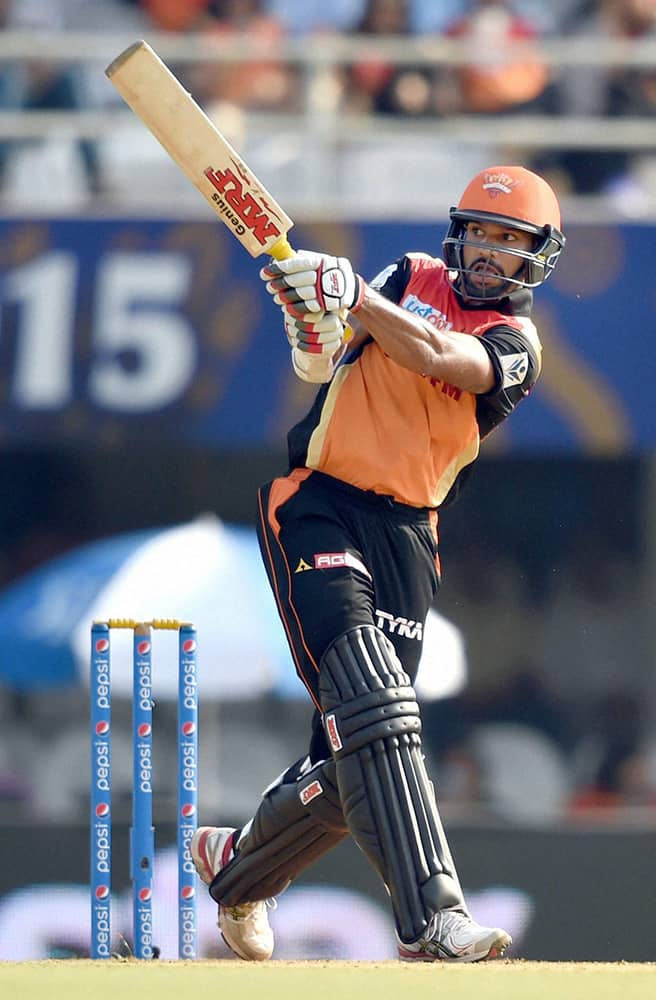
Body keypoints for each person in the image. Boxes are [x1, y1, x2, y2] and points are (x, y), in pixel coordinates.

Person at [190, 164, 565, 962]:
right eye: (482, 234)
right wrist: (314, 318)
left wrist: (352, 295)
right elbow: (319, 366)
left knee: (351, 754)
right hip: (318, 502)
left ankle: (236, 867)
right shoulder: (409, 275)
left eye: (510, 242)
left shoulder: (518, 343)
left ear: (537, 257)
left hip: (407, 536)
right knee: (380, 703)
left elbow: (443, 359)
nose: (490, 255)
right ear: (458, 232)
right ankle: (435, 919)